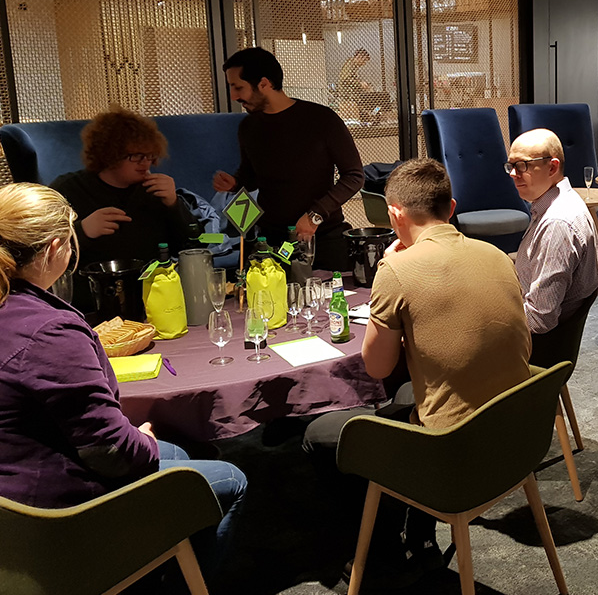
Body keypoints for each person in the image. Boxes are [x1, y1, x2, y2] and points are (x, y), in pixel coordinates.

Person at [0, 182, 245, 588]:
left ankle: (161, 556)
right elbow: (109, 449)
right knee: (230, 478)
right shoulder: (50, 331)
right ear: (57, 247)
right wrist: (141, 440)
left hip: (16, 481)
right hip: (51, 515)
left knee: (177, 449)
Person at [302, 158, 531, 587]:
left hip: (452, 451)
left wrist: (388, 270)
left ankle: (383, 552)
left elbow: (376, 366)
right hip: (514, 437)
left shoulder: (397, 269)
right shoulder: (497, 255)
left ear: (395, 215)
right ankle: (422, 537)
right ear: (452, 206)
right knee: (408, 394)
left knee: (321, 434)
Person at [213, 47, 365, 271]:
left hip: (323, 239)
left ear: (264, 83)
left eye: (238, 87)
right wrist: (235, 183)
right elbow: (252, 176)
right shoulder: (248, 126)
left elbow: (354, 176)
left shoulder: (321, 119)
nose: (234, 96)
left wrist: (315, 215)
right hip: (270, 242)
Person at [50, 106, 199, 314]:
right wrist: (81, 231)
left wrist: (174, 204)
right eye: (136, 156)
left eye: (150, 156)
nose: (145, 164)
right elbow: (43, 252)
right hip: (92, 305)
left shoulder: (153, 190)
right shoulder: (69, 189)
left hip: (153, 300)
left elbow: (192, 244)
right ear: (109, 155)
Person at [506, 128, 598, 335]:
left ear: (552, 167)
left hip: (533, 347)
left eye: (522, 165)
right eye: (511, 166)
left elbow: (539, 320)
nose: (513, 174)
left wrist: (488, 318)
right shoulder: (559, 202)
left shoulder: (557, 224)